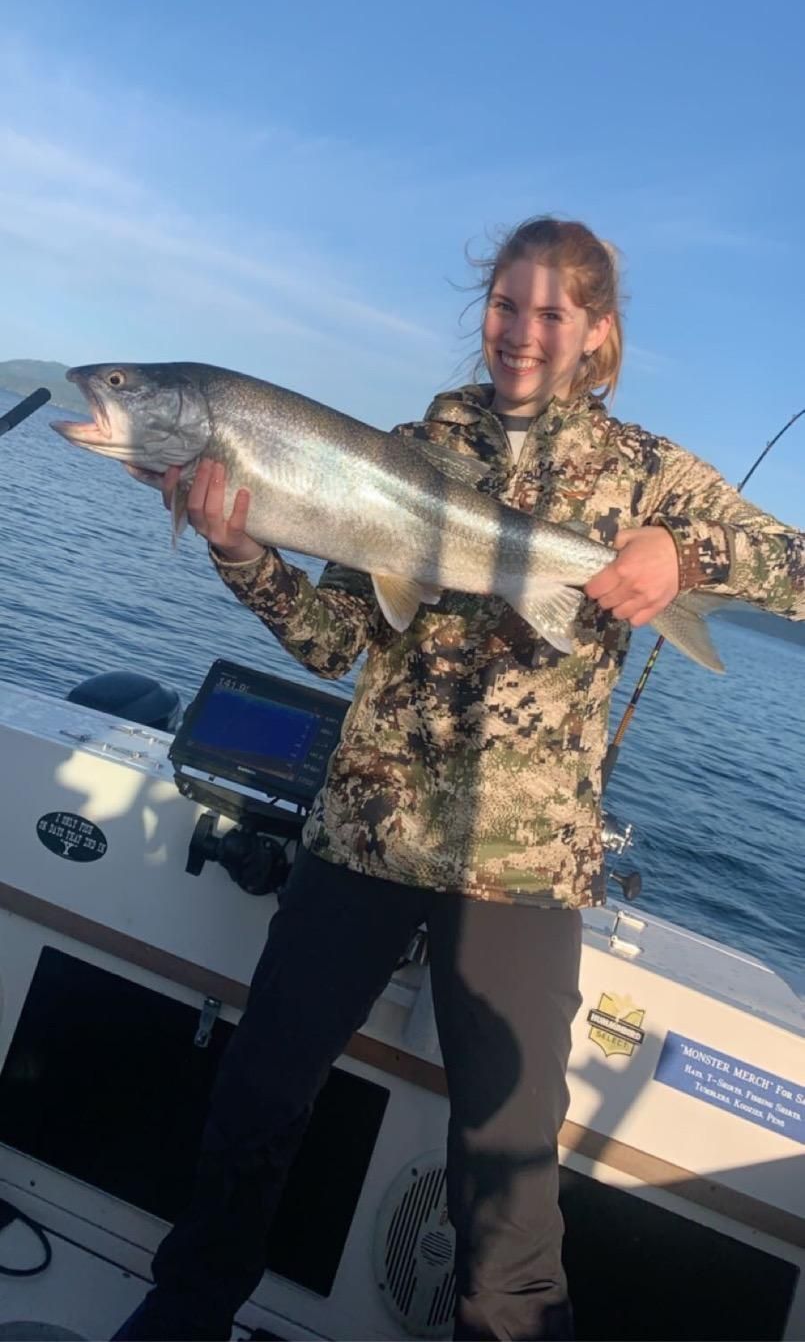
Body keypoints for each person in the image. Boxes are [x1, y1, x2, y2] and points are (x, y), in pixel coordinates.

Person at [114, 216, 804, 1342]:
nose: (520, 332)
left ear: (594, 334)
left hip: (520, 872)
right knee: (255, 1098)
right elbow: (338, 641)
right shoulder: (396, 449)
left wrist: (687, 554)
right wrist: (244, 555)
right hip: (366, 834)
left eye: (549, 313)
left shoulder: (645, 476)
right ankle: (186, 1309)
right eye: (504, 305)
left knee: (507, 1184)